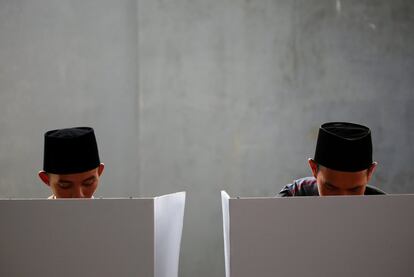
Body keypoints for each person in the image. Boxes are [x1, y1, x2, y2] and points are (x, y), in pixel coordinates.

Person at [279, 122, 385, 197]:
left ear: (370, 173)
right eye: (330, 188)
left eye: (354, 190)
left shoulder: (384, 207)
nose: (342, 201)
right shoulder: (293, 196)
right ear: (314, 169)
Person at [38, 127, 104, 199]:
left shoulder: (111, 210)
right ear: (46, 179)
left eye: (88, 183)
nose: (78, 196)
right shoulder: (36, 210)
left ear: (99, 172)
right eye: (65, 185)